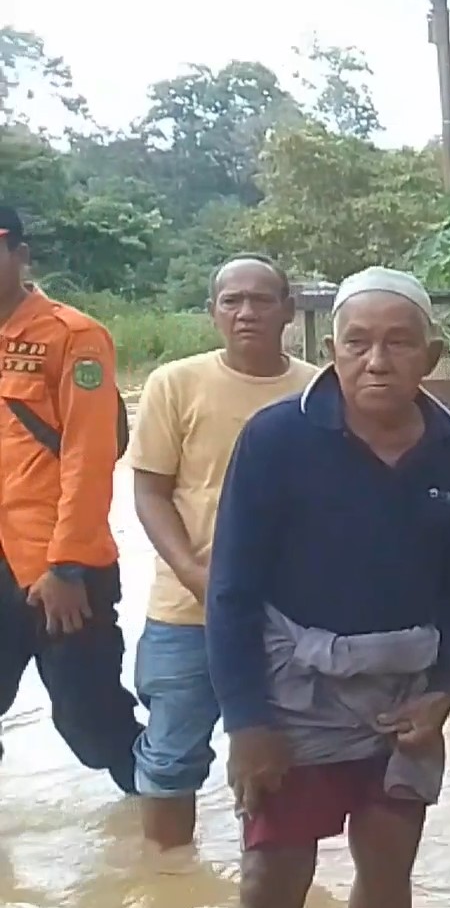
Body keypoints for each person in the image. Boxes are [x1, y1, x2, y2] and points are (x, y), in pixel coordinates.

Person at [205, 267, 450, 908]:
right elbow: (231, 590)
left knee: (391, 868)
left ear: (431, 355)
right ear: (330, 348)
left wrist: (446, 689)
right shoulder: (276, 438)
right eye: (357, 342)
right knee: (268, 885)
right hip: (293, 693)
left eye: (399, 343)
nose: (377, 360)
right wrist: (247, 723)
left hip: (405, 691)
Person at [128, 256, 317, 850]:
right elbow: (150, 491)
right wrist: (192, 572)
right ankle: (167, 886)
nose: (246, 313)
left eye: (262, 300)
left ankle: (268, 893)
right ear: (212, 312)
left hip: (287, 616)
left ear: (288, 310)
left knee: (280, 757)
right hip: (187, 612)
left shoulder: (319, 390)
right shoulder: (173, 383)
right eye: (231, 301)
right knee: (170, 759)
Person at [0, 204, 141, 791]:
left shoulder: (73, 337)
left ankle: (166, 809)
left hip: (56, 565)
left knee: (91, 726)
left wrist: (66, 565)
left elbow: (89, 458)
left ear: (21, 254)